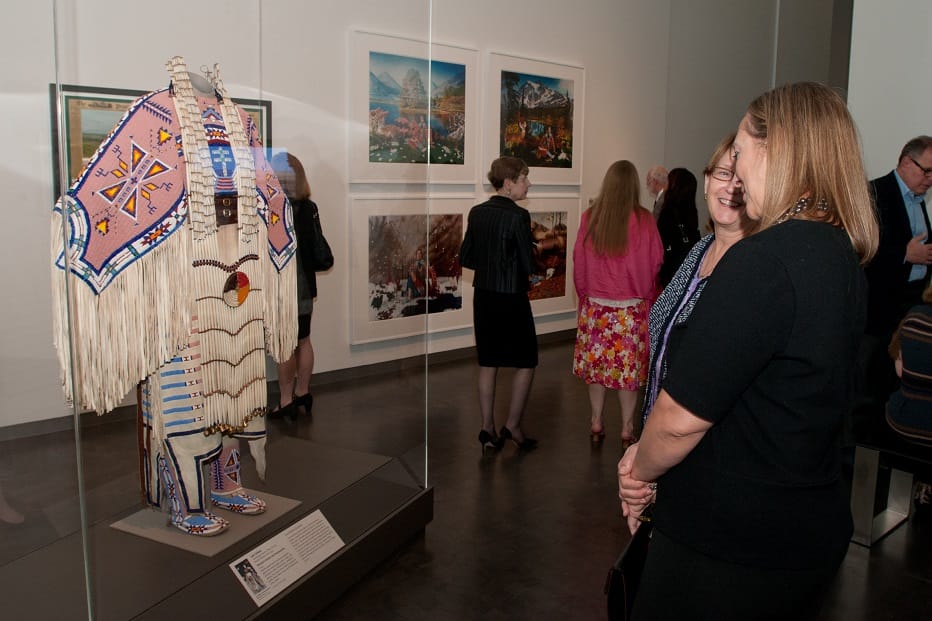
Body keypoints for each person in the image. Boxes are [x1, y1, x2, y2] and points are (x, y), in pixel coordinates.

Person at [618, 82, 879, 619]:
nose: (733, 168)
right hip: (800, 531)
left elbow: (678, 421)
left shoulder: (764, 262)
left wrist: (637, 472)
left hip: (728, 545)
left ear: (777, 149)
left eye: (739, 150)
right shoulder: (838, 255)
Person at [50, 58, 298, 536]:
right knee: (186, 392)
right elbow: (123, 189)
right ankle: (186, 501)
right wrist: (76, 218)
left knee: (239, 386)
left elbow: (269, 194)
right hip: (185, 287)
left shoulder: (241, 121)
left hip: (240, 277)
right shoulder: (156, 113)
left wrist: (277, 237)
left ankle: (226, 482)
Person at [641, 134, 755, 423]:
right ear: (706, 182)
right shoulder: (698, 252)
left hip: (708, 445)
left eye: (743, 177)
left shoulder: (755, 267)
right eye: (724, 173)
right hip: (659, 428)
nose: (732, 186)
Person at [572, 160, 663, 446]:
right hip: (631, 310)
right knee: (629, 374)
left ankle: (596, 420)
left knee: (596, 370)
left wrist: (585, 294)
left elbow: (579, 261)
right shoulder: (646, 219)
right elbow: (656, 260)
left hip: (597, 307)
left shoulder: (590, 217)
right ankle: (626, 427)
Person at [459, 156, 539, 451]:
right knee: (527, 360)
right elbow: (529, 264)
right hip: (512, 298)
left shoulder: (477, 213)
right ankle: (513, 425)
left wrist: (492, 262)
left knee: (488, 361)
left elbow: (466, 257)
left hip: (484, 296)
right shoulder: (518, 216)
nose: (528, 184)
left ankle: (487, 428)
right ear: (508, 184)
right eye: (524, 178)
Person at [860, 136, 932, 410]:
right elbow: (860, 249)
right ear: (905, 162)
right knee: (866, 386)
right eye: (926, 171)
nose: (929, 179)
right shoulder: (874, 193)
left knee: (893, 386)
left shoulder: (917, 200)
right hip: (876, 312)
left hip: (908, 308)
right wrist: (904, 254)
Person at [269, 152, 320, 421]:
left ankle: (286, 399)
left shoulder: (272, 209)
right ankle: (303, 392)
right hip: (305, 287)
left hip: (283, 286)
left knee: (284, 345)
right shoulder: (308, 208)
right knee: (304, 340)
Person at [655, 167, 701, 286]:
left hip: (669, 271)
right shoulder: (692, 212)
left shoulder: (668, 211)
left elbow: (660, 242)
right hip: (687, 271)